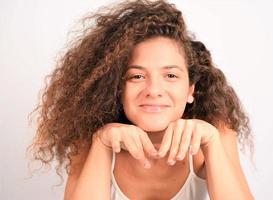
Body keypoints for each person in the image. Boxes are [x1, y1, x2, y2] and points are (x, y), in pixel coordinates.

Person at [28, 0, 255, 199]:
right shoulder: (88, 139)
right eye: (137, 76)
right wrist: (101, 144)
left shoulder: (216, 132)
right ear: (116, 88)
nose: (154, 90)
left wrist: (212, 142)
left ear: (190, 90)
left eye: (171, 76)